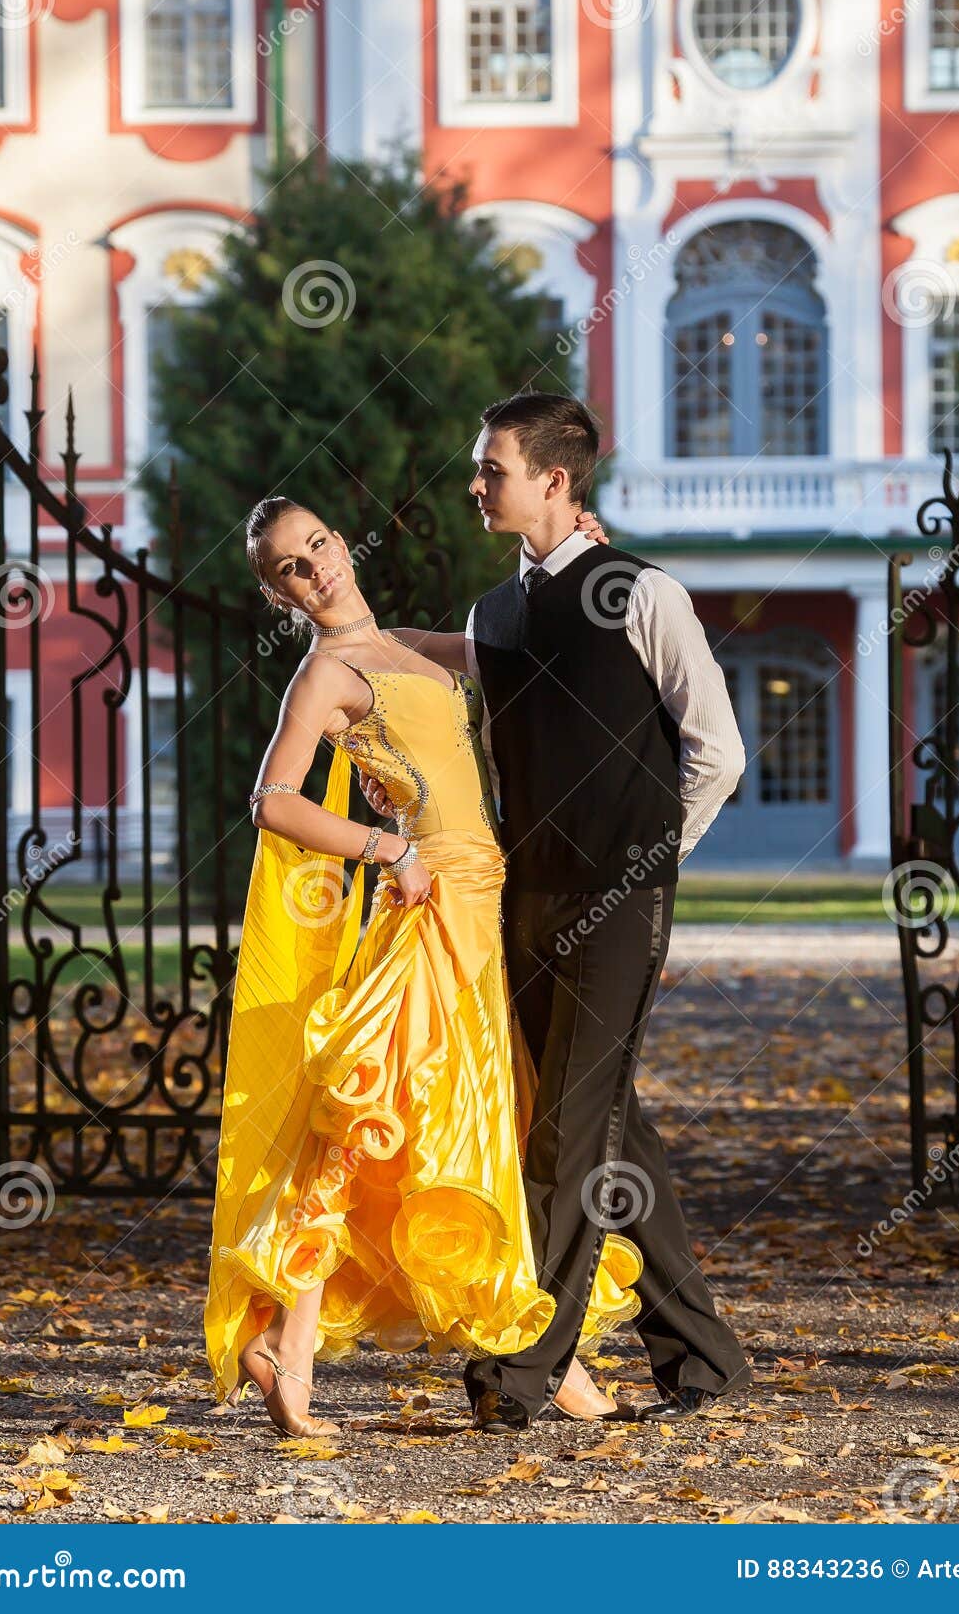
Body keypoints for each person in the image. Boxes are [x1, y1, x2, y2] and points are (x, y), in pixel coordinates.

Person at [203, 495, 641, 1438]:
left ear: (338, 544)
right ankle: (294, 1349)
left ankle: (541, 1346)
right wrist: (385, 849)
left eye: (318, 543)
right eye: (289, 566)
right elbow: (273, 803)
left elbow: (520, 647)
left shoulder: (402, 643)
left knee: (501, 1122)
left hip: (487, 900)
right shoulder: (325, 673)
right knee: (372, 1120)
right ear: (279, 592)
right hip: (431, 904)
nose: (315, 566)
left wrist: (572, 561)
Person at [362, 393, 754, 1435]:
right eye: (478, 468)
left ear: (555, 479)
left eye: (492, 468)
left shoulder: (642, 591)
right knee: (606, 1126)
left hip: (617, 905)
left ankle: (514, 1371)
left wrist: (649, 864)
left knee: (566, 1135)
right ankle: (705, 1357)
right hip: (522, 901)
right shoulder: (495, 616)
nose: (475, 485)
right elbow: (485, 755)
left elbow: (719, 750)